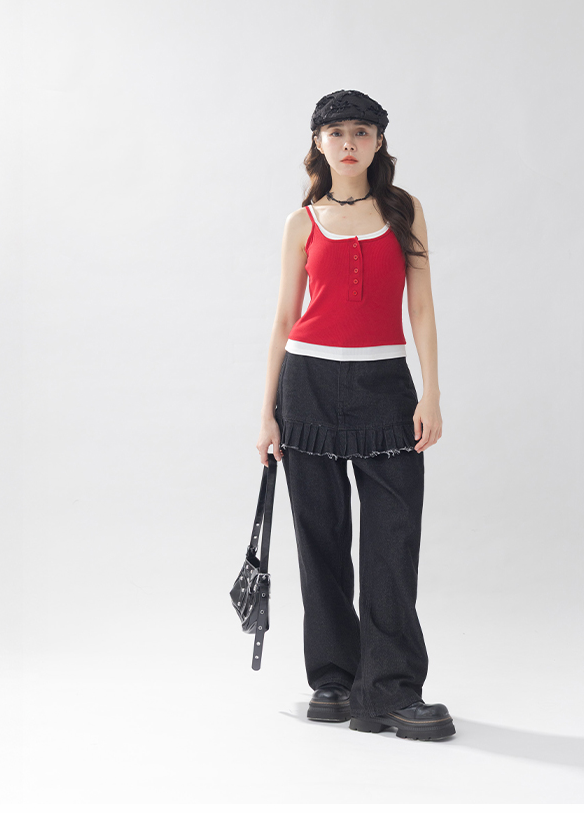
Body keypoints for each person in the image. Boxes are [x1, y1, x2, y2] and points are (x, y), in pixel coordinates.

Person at [256, 89, 455, 742]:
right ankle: (335, 682)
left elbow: (421, 307)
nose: (349, 143)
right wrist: (267, 414)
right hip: (307, 385)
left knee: (393, 540)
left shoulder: (403, 210)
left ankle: (390, 691)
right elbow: (284, 320)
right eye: (336, 132)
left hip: (385, 385)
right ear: (318, 142)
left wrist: (431, 393)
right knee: (320, 540)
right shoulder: (302, 222)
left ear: (378, 142)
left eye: (361, 132)